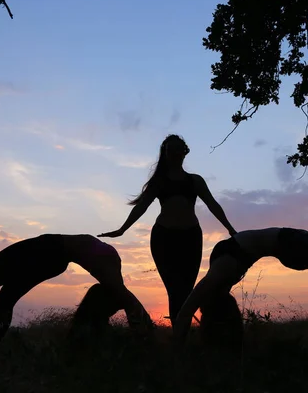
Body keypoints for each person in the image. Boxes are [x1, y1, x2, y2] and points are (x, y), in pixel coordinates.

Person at [98, 134, 237, 324]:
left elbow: (212, 204)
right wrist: (122, 229)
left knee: (187, 290)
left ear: (185, 152)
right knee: (174, 289)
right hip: (163, 238)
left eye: (178, 149)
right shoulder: (159, 182)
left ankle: (182, 336)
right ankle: (178, 337)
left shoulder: (195, 181)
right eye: (170, 150)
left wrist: (230, 228)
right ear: (165, 154)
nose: (174, 154)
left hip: (191, 238)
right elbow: (141, 206)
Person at [0, 233, 153, 353]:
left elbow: (124, 296)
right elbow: (124, 296)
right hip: (51, 254)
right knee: (4, 297)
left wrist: (145, 330)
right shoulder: (109, 263)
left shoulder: (107, 261)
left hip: (48, 250)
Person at [172, 227, 308, 344]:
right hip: (293, 244)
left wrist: (177, 349)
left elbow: (185, 311)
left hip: (292, 244)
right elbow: (185, 312)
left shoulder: (218, 274)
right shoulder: (222, 271)